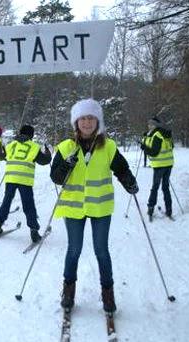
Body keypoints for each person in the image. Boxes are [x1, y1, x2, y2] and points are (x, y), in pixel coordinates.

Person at [50, 98, 138, 314]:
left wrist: (129, 182)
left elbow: (121, 168)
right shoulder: (66, 147)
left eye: (91, 118)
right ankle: (68, 291)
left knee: (101, 251)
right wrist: (66, 165)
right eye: (83, 118)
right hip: (74, 208)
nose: (87, 123)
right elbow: (56, 177)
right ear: (76, 122)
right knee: (74, 250)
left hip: (100, 208)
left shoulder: (108, 146)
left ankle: (108, 293)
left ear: (98, 122)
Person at [0, 124, 52, 242]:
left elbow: (0, 156)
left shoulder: (11, 145)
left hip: (10, 178)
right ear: (31, 135)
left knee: (6, 201)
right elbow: (44, 161)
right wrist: (48, 153)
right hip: (25, 180)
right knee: (28, 205)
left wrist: (1, 147)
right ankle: (34, 231)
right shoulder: (34, 146)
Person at [140, 116, 174, 219]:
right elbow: (172, 146)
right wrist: (146, 137)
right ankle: (169, 211)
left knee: (155, 187)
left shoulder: (157, 135)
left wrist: (144, 148)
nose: (149, 126)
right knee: (165, 187)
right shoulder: (165, 134)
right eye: (149, 124)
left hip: (159, 165)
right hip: (168, 164)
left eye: (151, 124)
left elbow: (154, 152)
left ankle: (150, 208)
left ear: (155, 125)